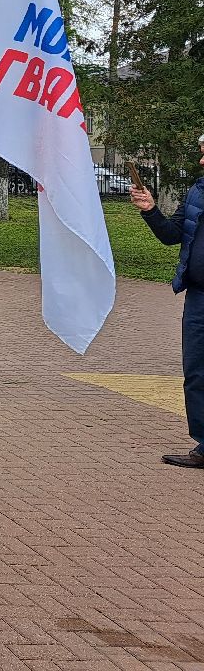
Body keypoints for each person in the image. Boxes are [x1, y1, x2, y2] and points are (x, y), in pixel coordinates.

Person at [131, 132, 204, 467]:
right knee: (197, 372)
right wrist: (151, 211)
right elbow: (172, 235)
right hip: (199, 299)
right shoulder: (198, 191)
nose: (201, 160)